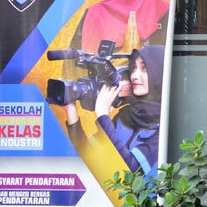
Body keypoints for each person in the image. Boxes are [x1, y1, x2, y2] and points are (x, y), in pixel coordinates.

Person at [65, 45, 164, 174]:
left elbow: (131, 170)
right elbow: (88, 154)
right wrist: (71, 109)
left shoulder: (165, 128)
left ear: (159, 73)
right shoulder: (126, 116)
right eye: (133, 68)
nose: (134, 75)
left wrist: (103, 116)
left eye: (144, 68)